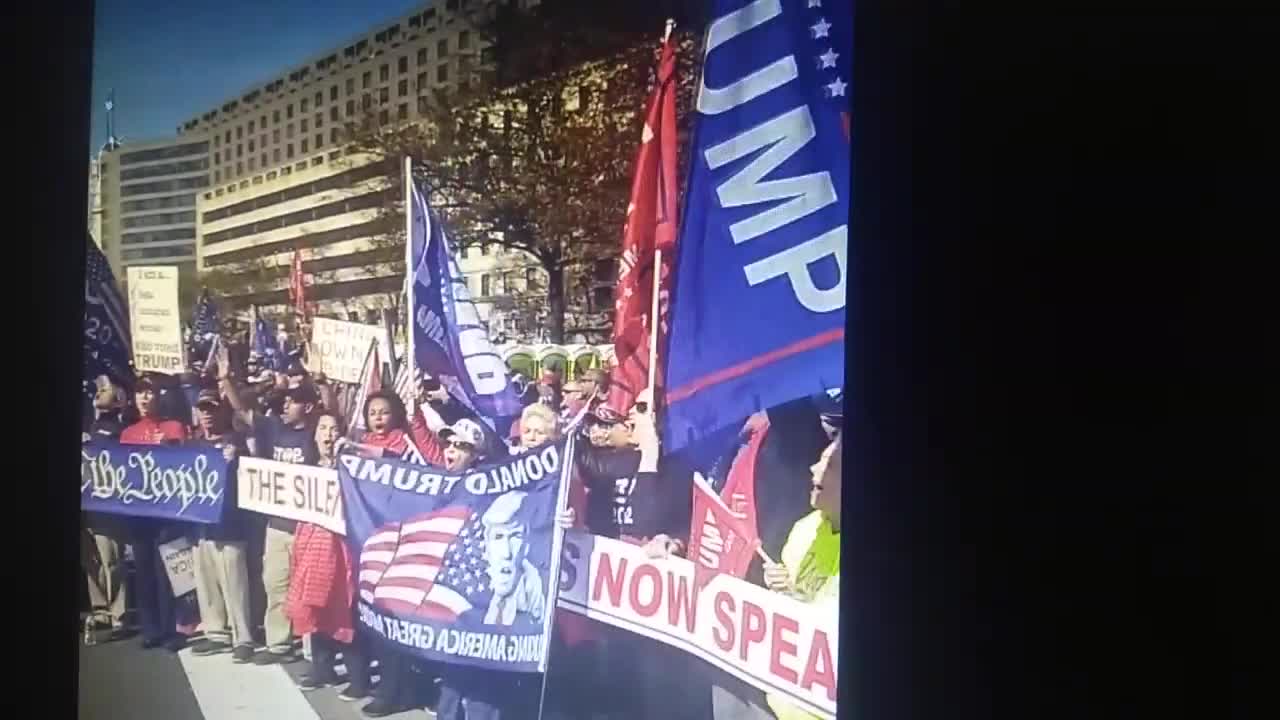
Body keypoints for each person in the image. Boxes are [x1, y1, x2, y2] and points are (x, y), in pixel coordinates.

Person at [433, 421, 540, 720]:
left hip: (484, 598)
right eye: (449, 444)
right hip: (455, 598)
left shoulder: (494, 488)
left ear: (478, 455)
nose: (450, 450)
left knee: (483, 684)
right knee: (453, 677)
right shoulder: (436, 481)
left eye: (460, 446)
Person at [219, 351, 319, 665]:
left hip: (308, 527)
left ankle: (312, 647)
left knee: (307, 589)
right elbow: (243, 411)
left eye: (293, 401)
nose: (285, 406)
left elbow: (335, 412)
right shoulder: (273, 428)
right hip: (276, 525)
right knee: (275, 582)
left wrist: (322, 380)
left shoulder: (318, 433)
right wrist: (224, 379)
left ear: (309, 407)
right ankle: (278, 643)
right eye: (285, 401)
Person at [289, 412, 374, 702]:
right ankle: (322, 668)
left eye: (334, 429)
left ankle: (359, 678)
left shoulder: (353, 467)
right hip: (312, 545)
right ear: (314, 434)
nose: (328, 434)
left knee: (344, 611)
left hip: (342, 549)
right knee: (315, 607)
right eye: (323, 428)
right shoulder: (306, 469)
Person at [762, 433, 842, 720]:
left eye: (829, 465)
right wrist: (779, 587)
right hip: (778, 707)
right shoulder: (803, 528)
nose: (813, 469)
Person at [120, 373, 189, 652]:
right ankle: (151, 629)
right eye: (140, 393)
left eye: (150, 393)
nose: (145, 398)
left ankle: (173, 628)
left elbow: (189, 465)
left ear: (160, 397)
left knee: (169, 572)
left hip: (168, 513)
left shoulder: (174, 428)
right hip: (140, 514)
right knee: (145, 570)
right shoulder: (128, 434)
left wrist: (169, 449)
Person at [187, 388, 256, 663]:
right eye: (202, 409)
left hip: (230, 524)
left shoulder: (237, 441)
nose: (206, 414)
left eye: (211, 408)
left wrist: (237, 455)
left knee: (234, 582)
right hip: (200, 525)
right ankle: (216, 631)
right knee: (206, 581)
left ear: (222, 411)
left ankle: (243, 637)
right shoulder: (191, 444)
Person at [81, 376, 131, 640]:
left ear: (117, 402)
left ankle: (118, 612)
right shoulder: (90, 421)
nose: (98, 391)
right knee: (90, 561)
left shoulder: (117, 429)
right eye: (98, 389)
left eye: (105, 390)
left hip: (104, 504)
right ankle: (100, 609)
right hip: (85, 504)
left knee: (110, 559)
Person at [479, 492, 545, 627]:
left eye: (516, 536)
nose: (506, 553)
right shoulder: (479, 601)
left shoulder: (536, 595)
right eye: (498, 537)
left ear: (527, 545)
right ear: (487, 547)